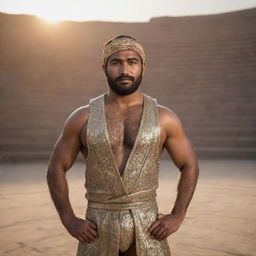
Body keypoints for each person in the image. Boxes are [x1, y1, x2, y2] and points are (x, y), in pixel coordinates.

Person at [46, 35, 199, 256]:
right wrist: (68, 219)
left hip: (148, 227)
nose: (124, 69)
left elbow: (189, 165)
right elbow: (55, 169)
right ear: (104, 68)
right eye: (116, 62)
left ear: (143, 67)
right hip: (97, 228)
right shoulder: (82, 118)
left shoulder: (165, 118)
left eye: (132, 62)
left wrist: (177, 215)